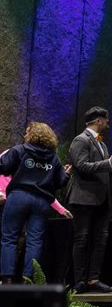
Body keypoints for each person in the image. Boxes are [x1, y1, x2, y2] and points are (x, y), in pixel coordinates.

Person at [0, 122, 70, 284]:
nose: (25, 136)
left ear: (32, 135)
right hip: (41, 202)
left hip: (19, 197)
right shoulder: (54, 158)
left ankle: (7, 278)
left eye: (27, 133)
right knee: (35, 241)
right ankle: (28, 279)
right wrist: (66, 174)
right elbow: (60, 182)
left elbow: (4, 168)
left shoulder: (20, 150)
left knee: (9, 238)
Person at [68, 106, 112, 293]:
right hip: (84, 198)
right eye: (106, 120)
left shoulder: (102, 143)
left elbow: (102, 169)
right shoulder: (81, 140)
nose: (108, 123)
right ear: (98, 121)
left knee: (100, 240)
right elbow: (82, 166)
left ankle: (93, 279)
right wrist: (108, 163)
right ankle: (80, 280)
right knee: (82, 239)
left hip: (101, 200)